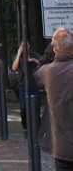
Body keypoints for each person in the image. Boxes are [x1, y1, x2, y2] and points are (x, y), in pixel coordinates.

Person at [34, 26, 73, 171]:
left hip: (61, 147)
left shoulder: (47, 72)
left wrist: (49, 49)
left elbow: (37, 69)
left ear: (55, 50)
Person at [12, 41, 41, 138]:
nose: (24, 47)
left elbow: (42, 64)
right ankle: (25, 127)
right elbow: (14, 68)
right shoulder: (18, 56)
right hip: (22, 85)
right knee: (23, 108)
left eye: (26, 45)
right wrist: (19, 54)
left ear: (29, 45)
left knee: (35, 108)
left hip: (34, 84)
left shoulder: (35, 55)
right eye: (22, 45)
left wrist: (33, 60)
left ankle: (37, 130)